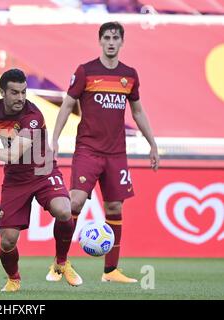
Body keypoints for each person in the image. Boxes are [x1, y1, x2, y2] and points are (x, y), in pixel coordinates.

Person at [47, 21, 159, 283]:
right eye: (107, 37)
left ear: (122, 42)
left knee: (114, 206)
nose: (111, 41)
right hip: (88, 149)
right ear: (100, 41)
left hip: (117, 153)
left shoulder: (129, 75)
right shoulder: (86, 71)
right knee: (73, 202)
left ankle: (111, 271)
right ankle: (59, 263)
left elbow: (138, 111)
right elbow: (67, 105)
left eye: (115, 37)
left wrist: (152, 143)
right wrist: (55, 138)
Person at [0, 69, 81, 292]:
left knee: (65, 210)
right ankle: (13, 279)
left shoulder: (32, 116)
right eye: (14, 93)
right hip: (15, 179)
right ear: (2, 92)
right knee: (8, 240)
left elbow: (13, 155)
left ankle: (61, 261)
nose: (20, 98)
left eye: (24, 92)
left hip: (43, 171)